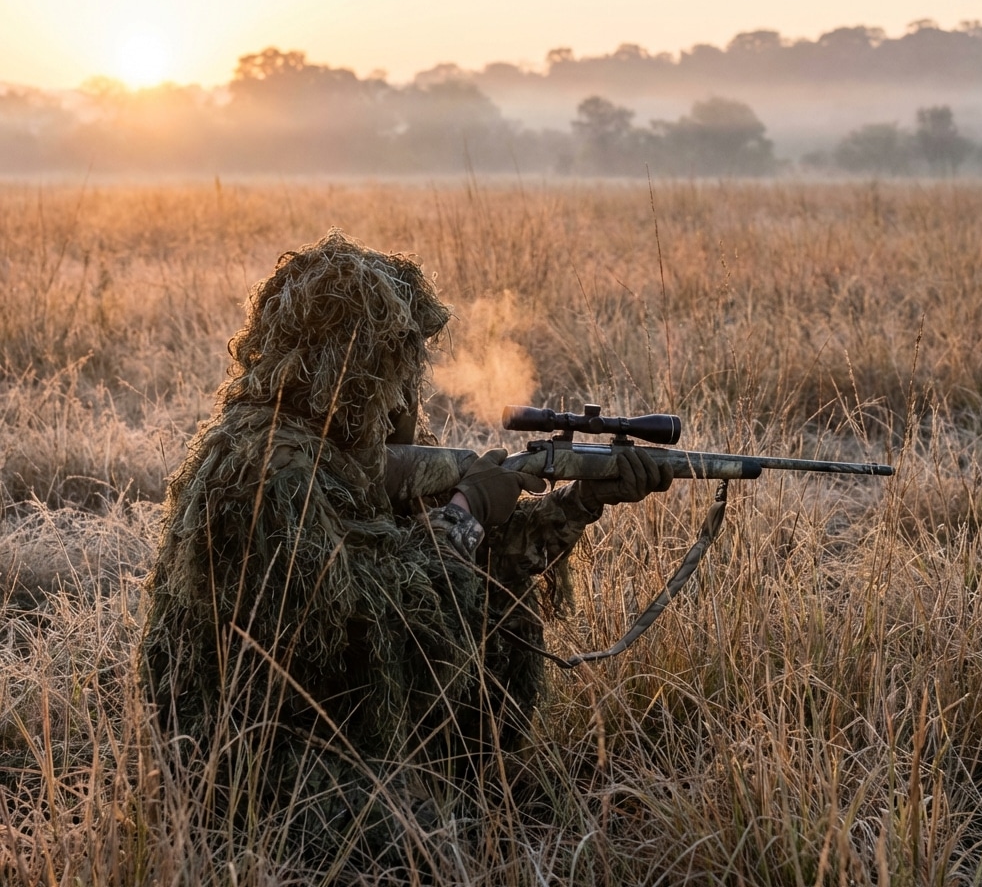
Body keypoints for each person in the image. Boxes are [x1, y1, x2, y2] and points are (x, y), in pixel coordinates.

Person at [140, 229, 672, 870]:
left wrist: (583, 501)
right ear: (352, 364)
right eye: (396, 362)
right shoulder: (270, 473)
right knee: (423, 848)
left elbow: (473, 565)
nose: (406, 388)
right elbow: (379, 627)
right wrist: (467, 510)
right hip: (250, 764)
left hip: (311, 730)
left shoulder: (338, 450)